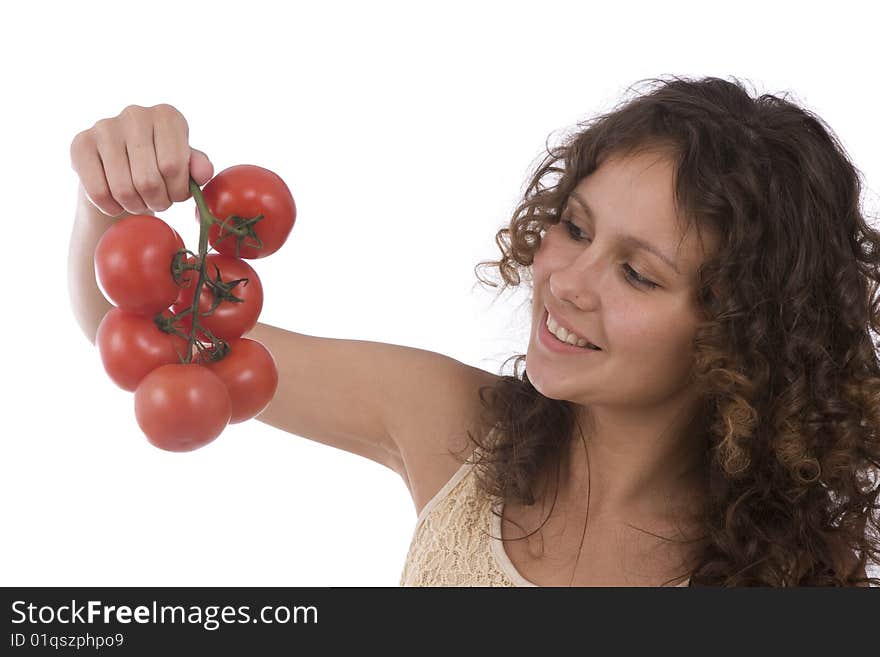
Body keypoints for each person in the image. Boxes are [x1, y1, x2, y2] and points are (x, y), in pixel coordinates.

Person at [67, 75, 879, 586]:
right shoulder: (458, 430)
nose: (566, 280)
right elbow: (145, 338)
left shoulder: (800, 584)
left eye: (637, 273)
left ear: (741, 337)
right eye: (573, 226)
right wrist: (114, 192)